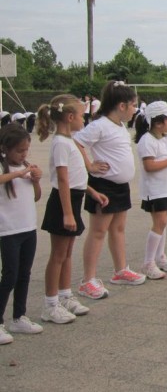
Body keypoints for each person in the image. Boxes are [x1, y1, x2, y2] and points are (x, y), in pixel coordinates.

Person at [37, 95, 107, 322]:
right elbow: (63, 179)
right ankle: (50, 304)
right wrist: (67, 213)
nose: (84, 120)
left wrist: (91, 191)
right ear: (69, 117)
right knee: (58, 254)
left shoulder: (69, 141)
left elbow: (76, 177)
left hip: (73, 198)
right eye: (81, 115)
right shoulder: (60, 143)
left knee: (67, 253)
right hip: (62, 202)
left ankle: (65, 296)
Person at [74, 81, 144, 300]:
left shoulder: (120, 126)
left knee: (118, 228)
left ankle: (120, 270)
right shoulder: (99, 125)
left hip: (120, 186)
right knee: (98, 232)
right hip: (103, 186)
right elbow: (76, 143)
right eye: (133, 105)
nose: (135, 110)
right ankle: (87, 280)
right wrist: (89, 165)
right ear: (121, 106)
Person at [0, 124, 44, 343]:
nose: (24, 154)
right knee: (9, 275)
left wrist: (35, 180)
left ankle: (19, 317)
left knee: (24, 274)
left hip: (28, 227)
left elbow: (36, 197)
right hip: (8, 230)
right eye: (19, 150)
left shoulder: (25, 167)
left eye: (26, 149)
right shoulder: (4, 168)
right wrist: (18, 173)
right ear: (5, 148)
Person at [134, 101, 167, 279]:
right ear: (158, 123)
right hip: (155, 189)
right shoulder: (147, 140)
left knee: (162, 223)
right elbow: (149, 166)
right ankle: (148, 262)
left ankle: (160, 256)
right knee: (160, 222)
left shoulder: (165, 139)